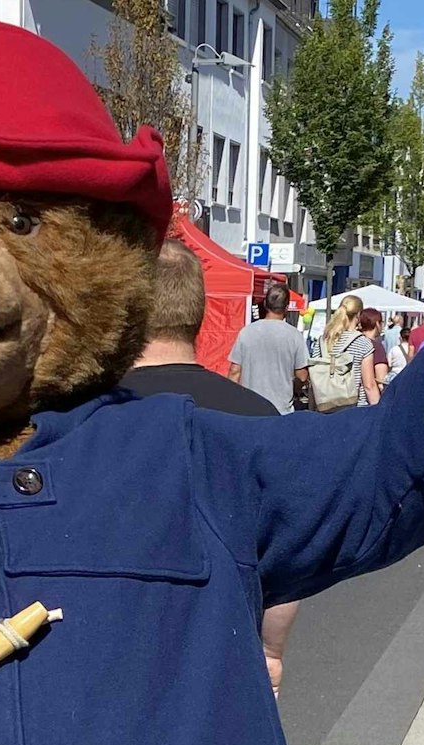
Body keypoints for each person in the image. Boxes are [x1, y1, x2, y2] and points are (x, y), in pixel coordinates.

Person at [121, 239, 301, 694]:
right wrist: (272, 653)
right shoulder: (260, 417)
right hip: (228, 653)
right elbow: (283, 558)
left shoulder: (85, 414)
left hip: (116, 652)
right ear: (199, 313)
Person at [228, 280, 310, 414]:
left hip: (249, 408)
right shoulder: (294, 336)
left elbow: (234, 372)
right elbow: (302, 376)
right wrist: (294, 388)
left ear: (265, 304)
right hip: (280, 410)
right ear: (287, 307)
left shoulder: (246, 332)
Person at [356, 308, 389, 405]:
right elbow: (381, 380)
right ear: (377, 324)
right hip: (366, 402)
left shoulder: (354, 342)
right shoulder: (376, 347)